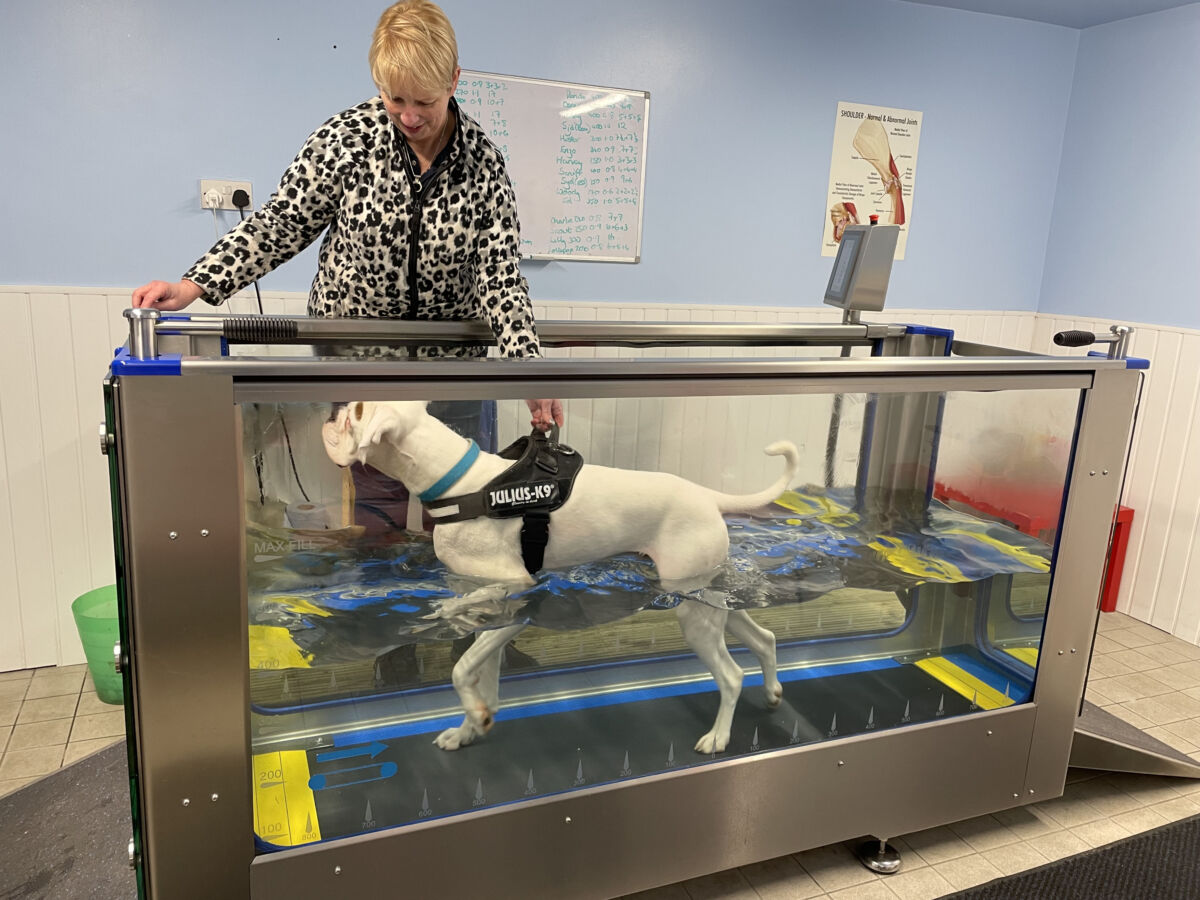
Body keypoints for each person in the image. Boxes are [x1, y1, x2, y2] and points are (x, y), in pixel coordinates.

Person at [133, 0, 560, 680]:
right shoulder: (346, 139)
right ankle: (393, 647)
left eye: (422, 99)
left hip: (454, 371)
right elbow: (278, 225)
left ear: (455, 79)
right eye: (394, 98)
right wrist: (197, 284)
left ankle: (469, 644)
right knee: (381, 515)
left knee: (465, 511)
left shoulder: (483, 163)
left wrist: (532, 370)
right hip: (364, 366)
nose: (409, 116)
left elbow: (499, 277)